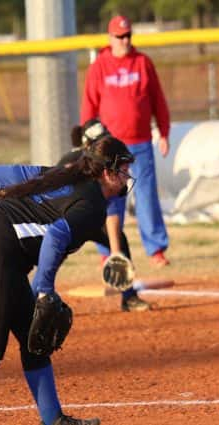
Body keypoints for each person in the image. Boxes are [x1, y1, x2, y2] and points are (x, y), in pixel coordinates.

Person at [0, 136, 134, 425]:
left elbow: (9, 173)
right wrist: (44, 291)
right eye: (124, 169)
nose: (127, 177)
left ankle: (53, 419)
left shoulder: (64, 174)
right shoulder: (91, 205)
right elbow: (55, 236)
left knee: (34, 338)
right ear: (107, 172)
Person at [81, 15, 171, 268]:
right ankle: (106, 250)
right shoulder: (99, 66)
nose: (125, 40)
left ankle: (156, 249)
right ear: (110, 38)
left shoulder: (143, 63)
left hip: (140, 142)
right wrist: (88, 141)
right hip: (110, 146)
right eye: (120, 36)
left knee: (145, 196)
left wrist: (163, 132)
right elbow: (89, 104)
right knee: (110, 198)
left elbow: (158, 100)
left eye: (128, 35)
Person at [57, 119, 151, 312]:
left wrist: (115, 252)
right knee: (51, 255)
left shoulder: (112, 166)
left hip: (95, 218)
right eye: (99, 143)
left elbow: (112, 212)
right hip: (67, 217)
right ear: (87, 146)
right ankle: (35, 298)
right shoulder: (70, 164)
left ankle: (129, 297)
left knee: (120, 242)